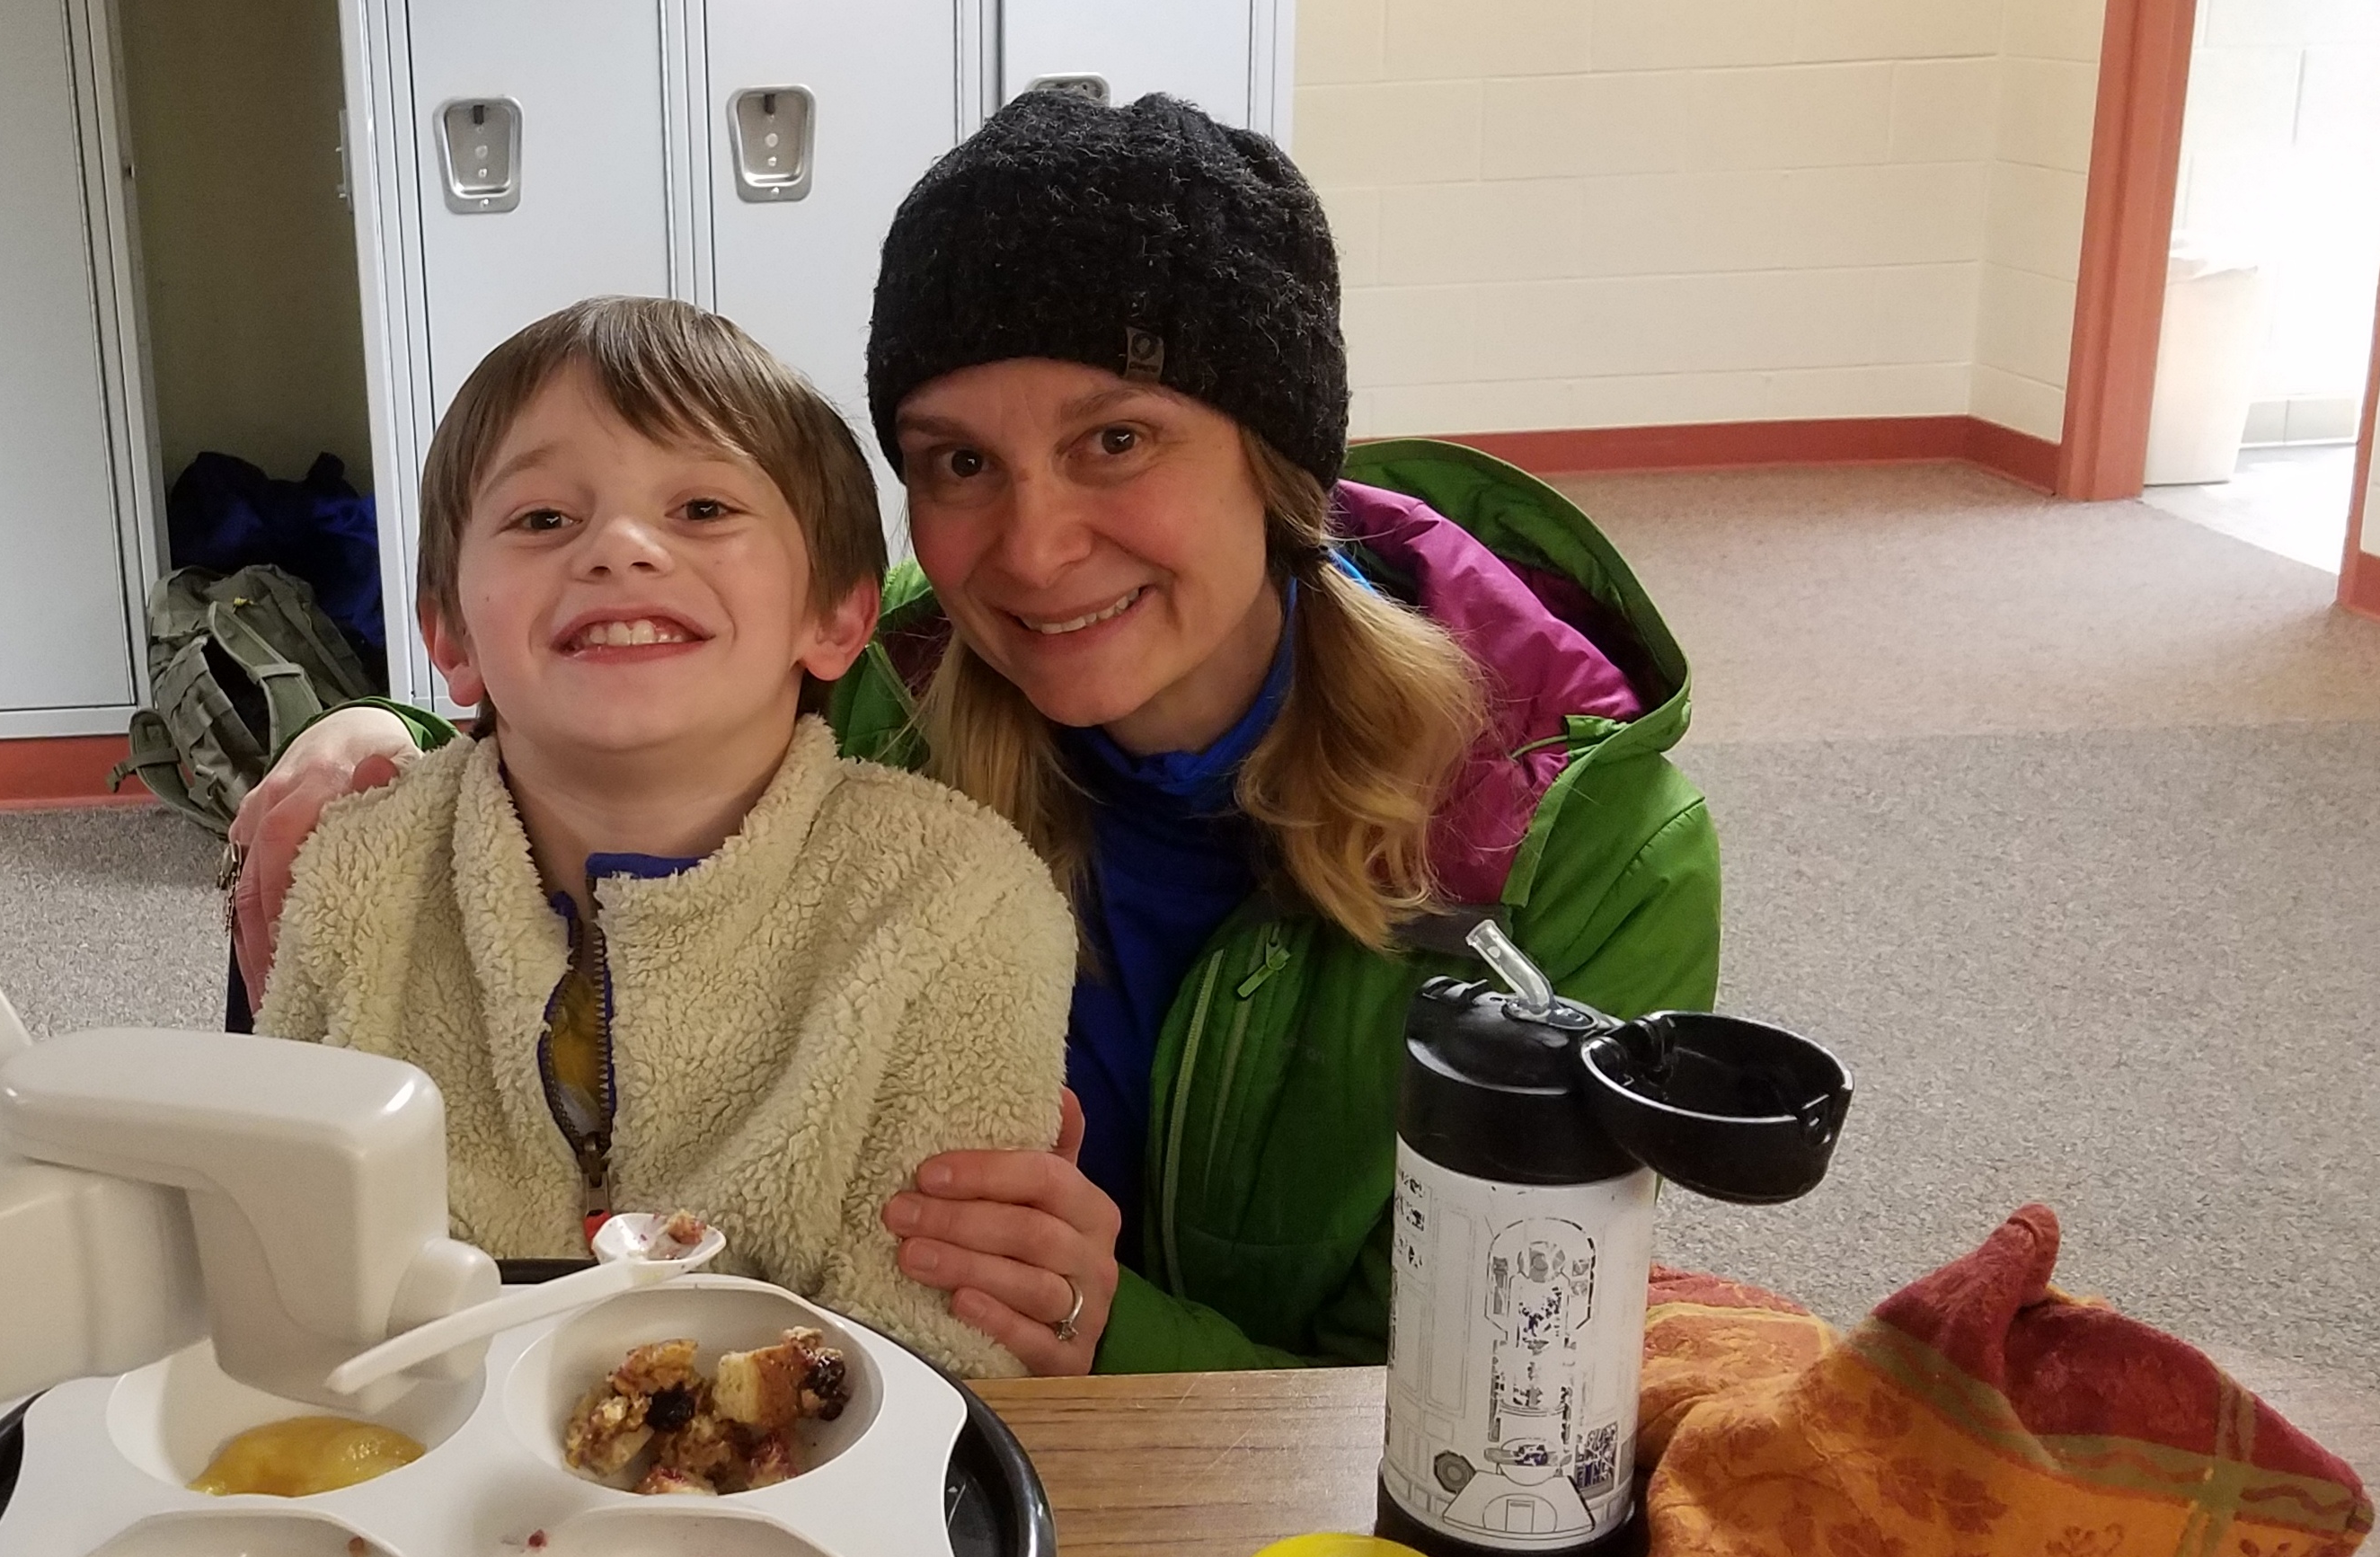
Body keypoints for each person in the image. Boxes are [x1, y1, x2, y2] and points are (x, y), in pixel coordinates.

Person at [234, 91, 1721, 1377]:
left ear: (1277, 456)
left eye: (1116, 439)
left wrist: (1111, 1325)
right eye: (957, 461)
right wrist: (375, 730)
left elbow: (1480, 1387)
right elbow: (626, 720)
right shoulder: (896, 669)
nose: (1033, 547)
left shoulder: (1581, 851)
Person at [252, 296, 1076, 1381]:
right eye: (544, 518)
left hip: (806, 1474)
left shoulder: (958, 901)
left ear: (837, 614)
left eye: (701, 507)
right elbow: (283, 1269)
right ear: (449, 634)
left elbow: (928, 1356)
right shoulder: (356, 871)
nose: (621, 549)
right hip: (417, 1460)